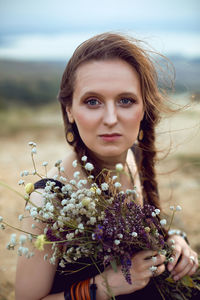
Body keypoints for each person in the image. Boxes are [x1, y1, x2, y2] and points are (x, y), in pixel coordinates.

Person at [15, 32, 199, 300]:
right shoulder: (49, 200)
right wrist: (100, 287)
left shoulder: (133, 158)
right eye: (92, 101)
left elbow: (147, 229)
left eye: (126, 100)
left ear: (144, 106)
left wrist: (175, 241)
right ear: (69, 109)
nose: (111, 118)